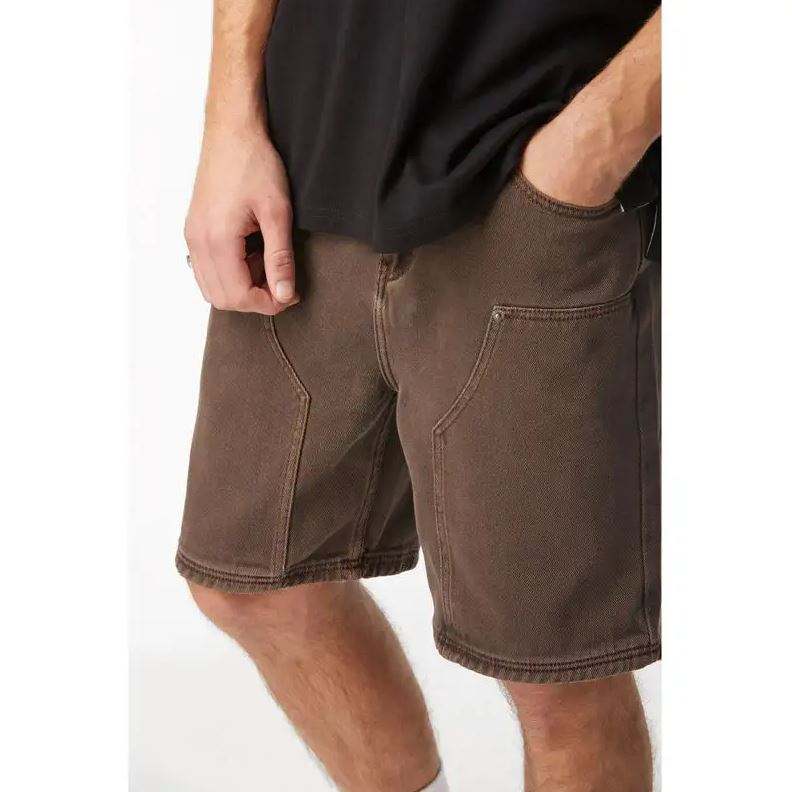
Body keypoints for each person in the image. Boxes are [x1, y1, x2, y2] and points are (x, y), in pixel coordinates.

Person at [179, 1, 661, 789]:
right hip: (307, 153)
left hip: (536, 173)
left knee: (555, 670)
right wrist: (231, 122)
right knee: (248, 579)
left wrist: (595, 142)